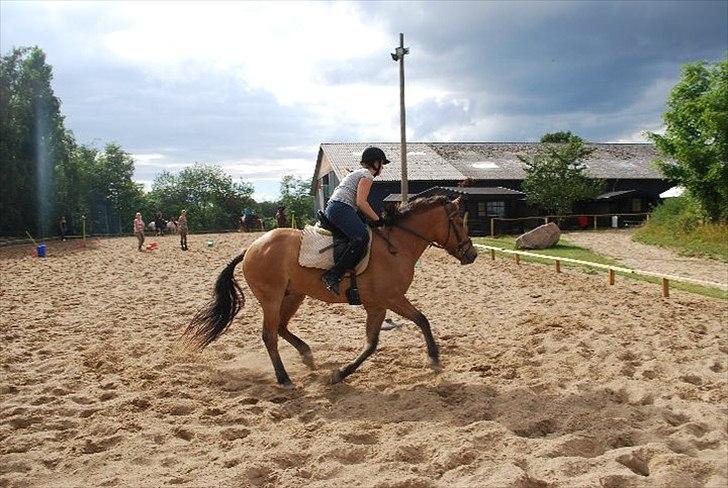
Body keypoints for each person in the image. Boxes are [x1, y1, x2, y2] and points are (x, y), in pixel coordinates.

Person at [321, 146, 389, 295]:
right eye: (382, 164)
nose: (382, 168)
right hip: (340, 208)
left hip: (337, 207)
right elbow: (361, 203)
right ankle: (333, 275)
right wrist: (378, 220)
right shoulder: (367, 175)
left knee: (363, 230)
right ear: (375, 163)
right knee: (361, 237)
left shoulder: (359, 173)